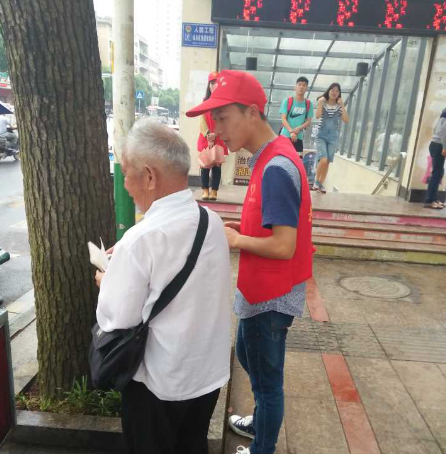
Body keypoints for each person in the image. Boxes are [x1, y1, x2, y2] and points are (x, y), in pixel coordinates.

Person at [187, 70, 313, 454]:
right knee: (248, 354)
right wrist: (244, 229)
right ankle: (260, 422)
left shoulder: (276, 167)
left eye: (223, 118)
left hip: (271, 295)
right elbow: (275, 224)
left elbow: (285, 245)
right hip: (263, 289)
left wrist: (237, 239)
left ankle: (262, 446)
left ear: (253, 113)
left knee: (267, 382)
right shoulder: (267, 156)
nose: (216, 129)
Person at [94, 120, 231, 454]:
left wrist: (106, 281)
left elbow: (118, 319)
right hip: (207, 373)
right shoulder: (211, 221)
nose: (125, 185)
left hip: (160, 382)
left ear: (149, 176)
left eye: (126, 174)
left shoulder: (141, 240)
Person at [197, 71, 228, 201]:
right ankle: (205, 190)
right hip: (206, 138)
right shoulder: (205, 101)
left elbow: (225, 119)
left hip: (219, 137)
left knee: (217, 166)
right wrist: (208, 135)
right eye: (211, 83)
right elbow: (202, 120)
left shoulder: (224, 102)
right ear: (208, 85)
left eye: (216, 82)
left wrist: (217, 134)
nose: (214, 85)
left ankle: (214, 191)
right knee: (205, 165)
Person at [313, 83, 349, 193]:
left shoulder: (339, 106)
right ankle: (316, 181)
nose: (334, 92)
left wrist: (342, 105)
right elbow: (317, 116)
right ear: (328, 91)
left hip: (333, 137)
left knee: (328, 161)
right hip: (321, 135)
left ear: (339, 94)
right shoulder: (322, 103)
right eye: (332, 90)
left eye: (337, 91)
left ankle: (321, 183)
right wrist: (320, 102)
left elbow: (346, 120)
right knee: (323, 159)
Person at [279, 76, 313, 157]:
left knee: (298, 160)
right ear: (295, 87)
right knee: (281, 159)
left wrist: (299, 128)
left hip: (299, 138)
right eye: (299, 84)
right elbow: (283, 119)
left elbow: (308, 121)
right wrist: (291, 131)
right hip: (285, 137)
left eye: (304, 85)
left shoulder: (308, 104)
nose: (301, 87)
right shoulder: (287, 101)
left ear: (306, 88)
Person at [424, 108, 446, 209]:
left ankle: (434, 198)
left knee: (439, 172)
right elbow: (444, 131)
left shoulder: (444, 112)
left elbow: (437, 129)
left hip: (436, 144)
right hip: (439, 145)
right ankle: (429, 201)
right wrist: (444, 146)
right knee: (437, 173)